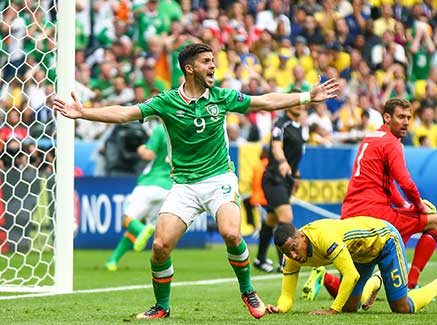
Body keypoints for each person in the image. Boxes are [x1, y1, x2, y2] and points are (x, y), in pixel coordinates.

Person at [53, 43, 339, 320]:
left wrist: (305, 96)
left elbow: (264, 101)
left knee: (231, 234)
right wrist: (84, 112)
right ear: (189, 69)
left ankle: (248, 291)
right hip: (185, 186)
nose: (213, 65)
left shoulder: (222, 97)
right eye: (206, 62)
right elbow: (126, 112)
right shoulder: (167, 102)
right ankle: (161, 307)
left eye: (213, 60)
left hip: (219, 180)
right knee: (160, 246)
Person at [303, 98, 437, 302]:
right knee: (436, 221)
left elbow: (388, 184)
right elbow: (405, 182)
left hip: (350, 216)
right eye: (401, 117)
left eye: (408, 118)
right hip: (376, 217)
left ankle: (324, 276)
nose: (405, 122)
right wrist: (419, 205)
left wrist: (405, 205)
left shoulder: (369, 138)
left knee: (351, 296)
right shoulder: (391, 143)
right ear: (387, 117)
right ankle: (412, 283)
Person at [264, 218, 437, 315]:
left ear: (301, 236)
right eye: (286, 253)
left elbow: (350, 275)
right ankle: (376, 281)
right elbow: (287, 295)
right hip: (358, 253)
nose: (293, 256)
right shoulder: (290, 255)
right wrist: (280, 308)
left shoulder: (323, 236)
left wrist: (332, 310)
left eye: (293, 248)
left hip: (385, 241)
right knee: (350, 308)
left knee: (401, 308)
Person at [254, 89, 308, 273]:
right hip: (274, 178)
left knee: (271, 219)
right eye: (297, 101)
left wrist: (297, 176)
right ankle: (284, 262)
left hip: (286, 180)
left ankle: (260, 259)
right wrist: (283, 162)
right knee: (286, 219)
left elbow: (295, 157)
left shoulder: (300, 128)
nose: (300, 105)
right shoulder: (280, 124)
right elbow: (276, 148)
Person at [105, 123, 171, 271]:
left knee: (127, 218)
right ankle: (113, 260)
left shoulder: (161, 128)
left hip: (151, 183)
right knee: (137, 225)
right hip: (169, 189)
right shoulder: (183, 130)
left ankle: (142, 230)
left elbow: (149, 154)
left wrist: (141, 148)